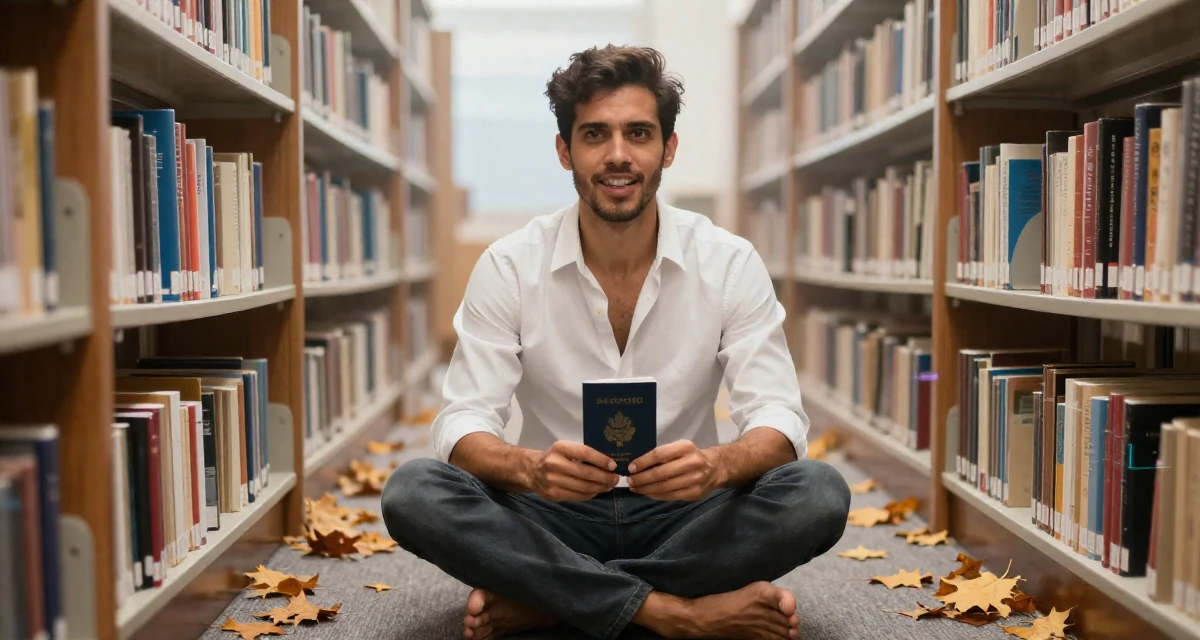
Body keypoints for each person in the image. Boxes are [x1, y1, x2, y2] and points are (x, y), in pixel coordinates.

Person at [382, 45, 850, 640]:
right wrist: (529, 468)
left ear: (668, 148)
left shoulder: (729, 262)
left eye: (639, 133)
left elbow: (779, 417)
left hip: (686, 513)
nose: (618, 156)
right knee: (414, 492)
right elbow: (463, 421)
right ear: (565, 151)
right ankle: (672, 612)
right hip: (553, 513)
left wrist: (715, 466)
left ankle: (556, 598)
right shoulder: (508, 265)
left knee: (817, 493)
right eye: (595, 135)